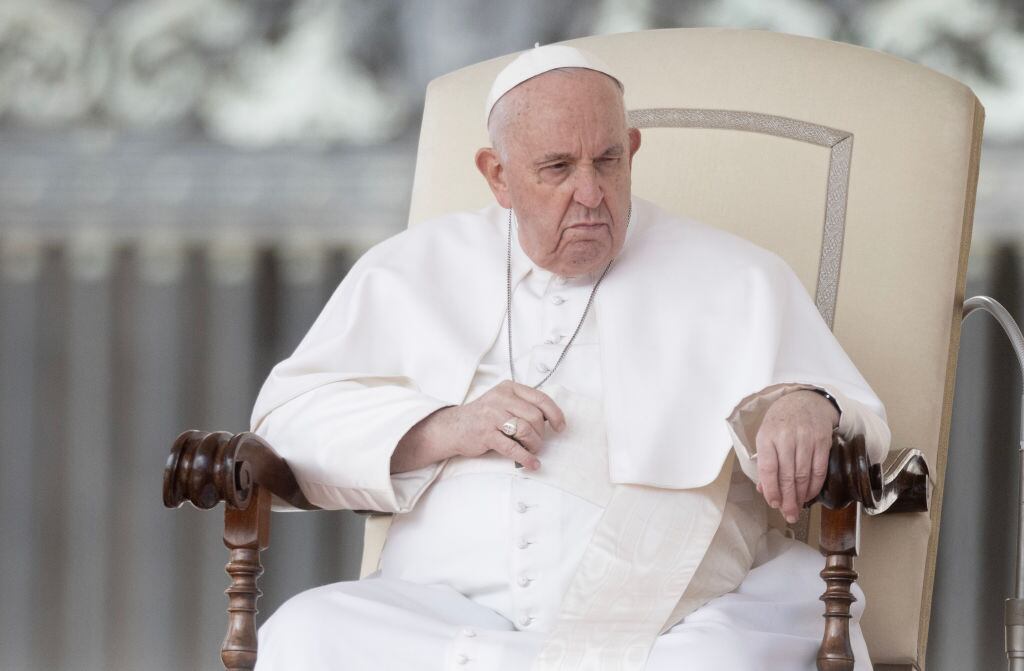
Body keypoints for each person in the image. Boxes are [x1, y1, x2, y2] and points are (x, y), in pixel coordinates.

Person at [249, 44, 890, 671]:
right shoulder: (410, 269)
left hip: (668, 627)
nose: (590, 192)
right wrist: (442, 426)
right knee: (307, 632)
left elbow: (851, 410)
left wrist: (809, 405)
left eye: (607, 160)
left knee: (729, 658)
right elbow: (287, 425)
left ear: (631, 150)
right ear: (498, 176)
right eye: (557, 168)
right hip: (437, 613)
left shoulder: (738, 278)